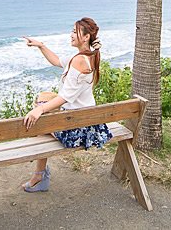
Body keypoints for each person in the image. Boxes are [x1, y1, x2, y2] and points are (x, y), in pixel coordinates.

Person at [20, 17, 112, 192]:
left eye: (74, 31)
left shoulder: (79, 60)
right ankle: (39, 175)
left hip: (78, 130)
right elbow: (56, 61)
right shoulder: (87, 56)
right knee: (43, 99)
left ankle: (39, 176)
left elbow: (65, 97)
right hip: (87, 121)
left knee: (39, 124)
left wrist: (39, 110)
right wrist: (41, 45)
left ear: (85, 37)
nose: (71, 35)